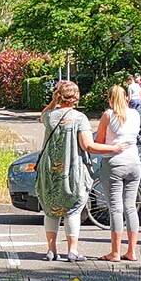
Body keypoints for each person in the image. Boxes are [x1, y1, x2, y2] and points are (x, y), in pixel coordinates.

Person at [37, 81, 127, 262]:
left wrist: (54, 101)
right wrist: (114, 149)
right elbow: (88, 145)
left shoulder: (49, 116)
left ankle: (51, 250)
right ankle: (72, 250)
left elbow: (43, 113)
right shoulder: (80, 118)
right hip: (72, 170)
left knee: (51, 210)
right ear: (76, 97)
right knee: (73, 210)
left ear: (59, 95)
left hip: (49, 171)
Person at [95, 85, 141, 261]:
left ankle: (115, 252)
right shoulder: (136, 115)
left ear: (110, 99)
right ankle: (131, 251)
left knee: (115, 208)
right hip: (134, 163)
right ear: (127, 98)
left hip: (114, 164)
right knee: (130, 207)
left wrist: (111, 146)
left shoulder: (108, 115)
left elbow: (98, 142)